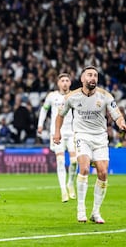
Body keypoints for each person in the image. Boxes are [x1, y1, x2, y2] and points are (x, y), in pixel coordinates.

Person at [53, 65, 126, 224]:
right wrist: (57, 132)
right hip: (82, 136)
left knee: (103, 172)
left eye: (95, 75)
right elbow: (60, 116)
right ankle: (81, 209)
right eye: (89, 75)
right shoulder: (72, 97)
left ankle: (95, 212)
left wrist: (122, 123)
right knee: (85, 168)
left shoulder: (105, 96)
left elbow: (117, 115)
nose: (93, 78)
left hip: (100, 138)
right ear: (82, 79)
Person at [37, 73, 77, 203]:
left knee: (74, 161)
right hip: (57, 132)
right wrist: (40, 125)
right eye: (62, 81)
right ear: (58, 83)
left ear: (70, 83)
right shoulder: (52, 96)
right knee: (60, 161)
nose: (65, 83)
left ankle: (70, 183)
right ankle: (63, 190)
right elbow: (44, 110)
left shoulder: (75, 96)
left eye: (67, 80)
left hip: (71, 132)